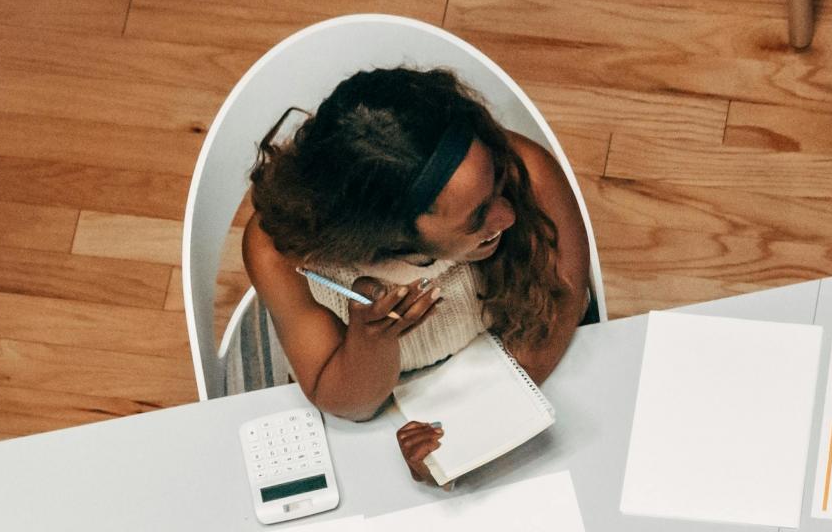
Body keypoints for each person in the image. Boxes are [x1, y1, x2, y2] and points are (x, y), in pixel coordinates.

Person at [242, 65, 593, 481]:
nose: (509, 214)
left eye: (498, 183)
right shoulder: (278, 255)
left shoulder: (526, 168)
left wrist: (471, 435)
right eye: (477, 217)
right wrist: (372, 339)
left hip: (517, 366)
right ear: (389, 240)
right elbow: (350, 405)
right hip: (385, 409)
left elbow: (559, 305)